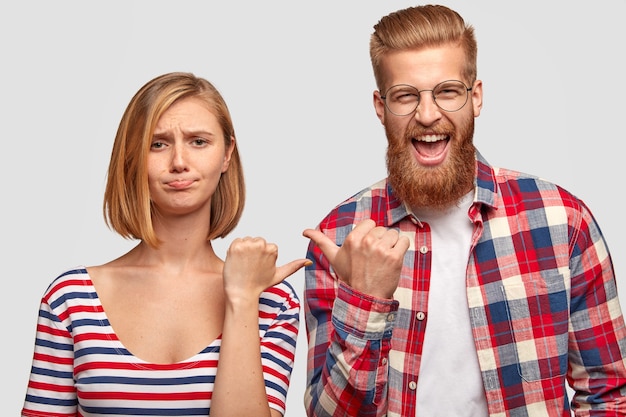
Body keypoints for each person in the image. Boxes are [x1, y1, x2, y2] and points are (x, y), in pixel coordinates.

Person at [302, 5, 626, 417]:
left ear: (475, 98)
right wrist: (365, 301)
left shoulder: (562, 221)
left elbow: (609, 397)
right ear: (380, 107)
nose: (427, 114)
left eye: (448, 91)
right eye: (405, 96)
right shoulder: (340, 236)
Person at [22, 72, 309, 417]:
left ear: (227, 154)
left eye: (198, 141)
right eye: (157, 144)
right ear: (132, 158)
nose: (178, 162)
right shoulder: (71, 298)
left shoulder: (271, 301)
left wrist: (243, 298)